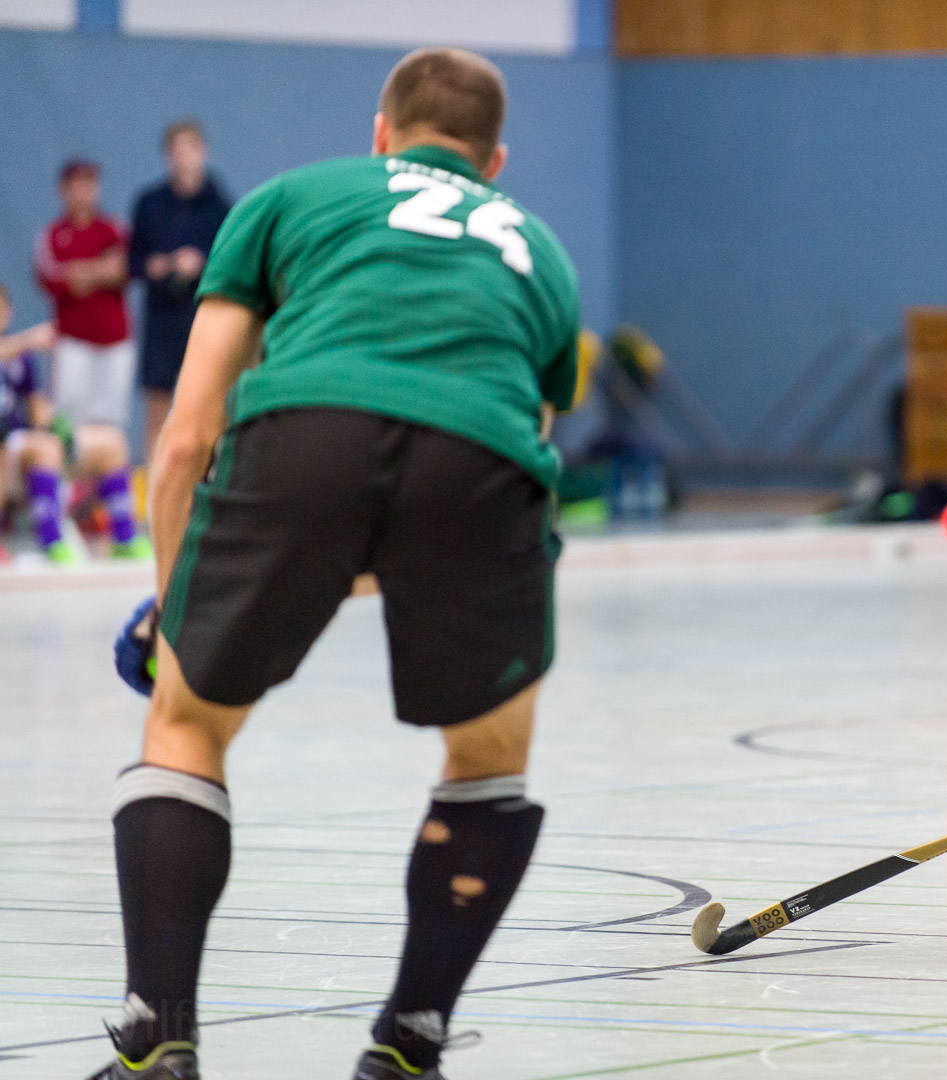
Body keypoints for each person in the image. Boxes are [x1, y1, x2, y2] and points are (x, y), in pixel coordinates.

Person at [93, 47, 579, 1080]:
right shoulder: (541, 252)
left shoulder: (288, 199)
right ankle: (408, 1045)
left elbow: (185, 439)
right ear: (494, 160)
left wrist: (178, 608)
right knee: (489, 759)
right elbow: (510, 454)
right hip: (482, 460)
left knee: (186, 723)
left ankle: (157, 1043)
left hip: (304, 433)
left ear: (380, 134)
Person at [33, 159, 148, 558]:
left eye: (90, 184)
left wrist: (86, 272)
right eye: (76, 184)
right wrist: (101, 270)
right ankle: (62, 512)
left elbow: (126, 269)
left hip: (115, 343)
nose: (84, 191)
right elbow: (54, 277)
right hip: (73, 345)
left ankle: (110, 518)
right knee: (67, 431)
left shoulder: (113, 229)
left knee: (110, 431)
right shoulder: (53, 234)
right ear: (63, 190)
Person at [128, 119, 232, 464]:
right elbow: (132, 262)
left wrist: (200, 265)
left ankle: (203, 480)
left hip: (201, 318)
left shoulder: (220, 204)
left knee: (206, 404)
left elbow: (231, 263)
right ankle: (153, 487)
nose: (183, 157)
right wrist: (158, 265)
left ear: (203, 152)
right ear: (167, 156)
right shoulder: (149, 203)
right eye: (176, 150)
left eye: (190, 148)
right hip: (161, 319)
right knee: (158, 407)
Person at [0, 284, 72, 563]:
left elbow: (36, 409)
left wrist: (54, 422)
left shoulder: (21, 358)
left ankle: (52, 540)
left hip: (13, 440)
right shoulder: (19, 346)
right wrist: (29, 339)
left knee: (48, 446)